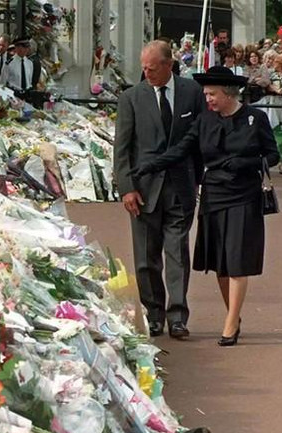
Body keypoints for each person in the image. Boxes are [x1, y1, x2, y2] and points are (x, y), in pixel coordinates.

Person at [133, 67, 280, 346]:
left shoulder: (255, 118)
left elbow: (272, 155)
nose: (207, 98)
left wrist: (246, 162)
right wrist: (151, 165)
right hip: (214, 194)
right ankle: (233, 316)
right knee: (221, 263)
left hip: (244, 195)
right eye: (205, 94)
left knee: (237, 262)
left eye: (211, 94)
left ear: (227, 94)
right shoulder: (204, 120)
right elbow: (181, 150)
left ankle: (229, 324)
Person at [114, 40, 207, 339]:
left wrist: (198, 179)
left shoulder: (192, 93)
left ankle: (177, 316)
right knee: (145, 256)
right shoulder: (131, 98)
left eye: (152, 68)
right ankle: (153, 314)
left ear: (169, 65)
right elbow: (122, 149)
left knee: (178, 252)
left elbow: (198, 142)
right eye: (143, 68)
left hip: (180, 186)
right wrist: (126, 188)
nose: (147, 73)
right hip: (142, 190)